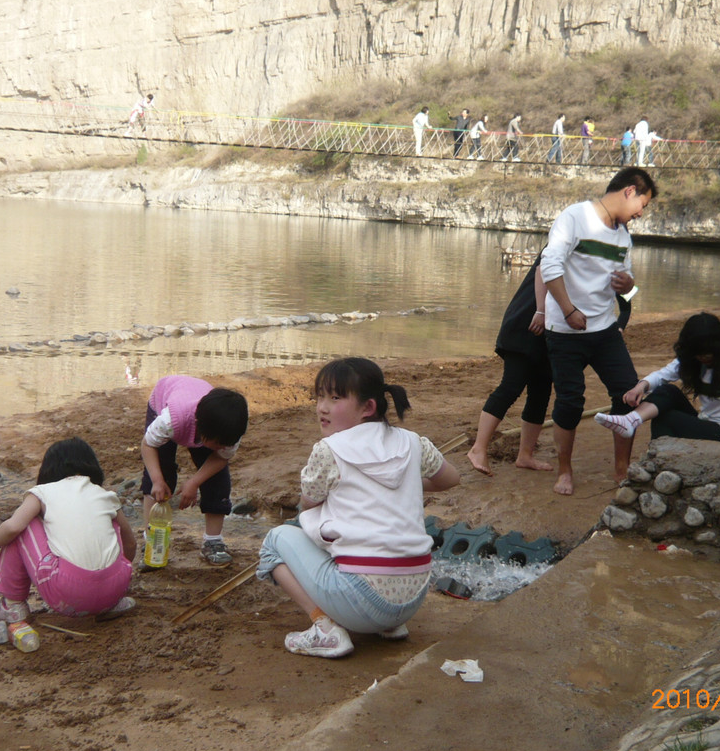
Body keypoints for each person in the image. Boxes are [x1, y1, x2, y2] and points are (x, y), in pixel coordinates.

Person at [257, 358, 460, 658]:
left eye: (335, 398)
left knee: (276, 540)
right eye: (320, 397)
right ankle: (389, 626)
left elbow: (307, 505)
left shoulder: (329, 450)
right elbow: (450, 479)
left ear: (367, 408)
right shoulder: (413, 442)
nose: (322, 407)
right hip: (413, 598)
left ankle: (324, 629)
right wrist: (408, 485)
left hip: (362, 601)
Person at [541, 166, 657, 494]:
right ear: (630, 191)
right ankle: (564, 470)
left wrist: (629, 285)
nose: (640, 213)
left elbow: (628, 290)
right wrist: (568, 310)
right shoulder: (575, 217)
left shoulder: (623, 236)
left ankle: (621, 469)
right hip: (565, 328)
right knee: (570, 401)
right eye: (642, 205)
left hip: (605, 328)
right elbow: (549, 266)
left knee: (629, 394)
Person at [0, 438, 136, 622]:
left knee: (24, 524)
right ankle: (110, 603)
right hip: (115, 590)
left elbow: (12, 527)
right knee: (111, 523)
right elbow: (130, 542)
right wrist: (113, 580)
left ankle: (13, 604)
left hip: (67, 594)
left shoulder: (42, 492)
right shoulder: (104, 495)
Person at [594, 313, 720, 446]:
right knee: (667, 391)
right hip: (705, 420)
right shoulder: (693, 359)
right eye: (698, 354)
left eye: (707, 354)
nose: (703, 358)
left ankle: (658, 464)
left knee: (667, 418)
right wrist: (641, 386)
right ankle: (631, 420)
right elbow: (662, 375)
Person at [140, 376, 249, 566]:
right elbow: (148, 445)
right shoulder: (170, 420)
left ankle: (213, 542)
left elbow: (220, 458)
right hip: (167, 399)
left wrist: (194, 482)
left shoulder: (230, 431)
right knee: (160, 476)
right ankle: (151, 538)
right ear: (200, 428)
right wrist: (157, 480)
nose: (223, 447)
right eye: (218, 444)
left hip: (204, 417)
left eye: (227, 444)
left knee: (217, 480)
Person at [467, 254, 555, 476]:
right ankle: (478, 448)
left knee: (541, 391)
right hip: (528, 322)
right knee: (512, 386)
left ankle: (525, 456)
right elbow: (542, 270)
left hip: (552, 329)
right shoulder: (569, 234)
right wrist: (541, 310)